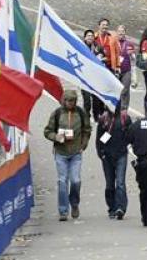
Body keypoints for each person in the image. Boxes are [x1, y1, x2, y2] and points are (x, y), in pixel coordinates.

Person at [44, 90, 91, 221]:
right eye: (68, 101)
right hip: (61, 153)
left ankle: (74, 203)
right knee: (62, 181)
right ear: (63, 101)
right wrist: (56, 137)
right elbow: (47, 131)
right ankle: (63, 210)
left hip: (76, 153)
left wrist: (83, 144)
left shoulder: (80, 113)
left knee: (76, 180)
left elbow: (87, 130)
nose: (70, 103)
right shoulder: (57, 113)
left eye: (73, 101)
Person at [97, 105, 131, 220]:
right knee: (110, 183)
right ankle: (112, 207)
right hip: (107, 156)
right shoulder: (103, 119)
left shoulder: (125, 118)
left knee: (120, 182)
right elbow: (99, 139)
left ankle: (121, 207)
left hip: (121, 154)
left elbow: (131, 134)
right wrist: (101, 153)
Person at [81, 30, 106, 121]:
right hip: (85, 77)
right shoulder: (80, 46)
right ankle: (86, 117)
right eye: (88, 36)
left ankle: (96, 117)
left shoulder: (98, 47)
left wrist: (101, 59)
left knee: (96, 99)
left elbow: (105, 57)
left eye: (91, 36)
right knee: (87, 100)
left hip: (95, 77)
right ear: (85, 38)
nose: (90, 37)